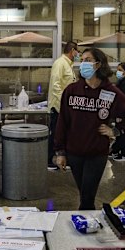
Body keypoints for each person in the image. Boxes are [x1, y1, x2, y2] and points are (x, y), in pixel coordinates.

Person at [54, 48, 125, 210]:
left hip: (96, 152)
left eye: (88, 60)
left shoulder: (110, 91)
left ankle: (85, 225)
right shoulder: (71, 91)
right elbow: (62, 121)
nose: (83, 63)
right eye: (82, 60)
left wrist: (115, 131)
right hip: (74, 151)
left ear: (98, 64)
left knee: (87, 197)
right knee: (84, 193)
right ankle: (87, 223)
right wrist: (60, 152)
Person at [47, 41, 78, 170]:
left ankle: (66, 159)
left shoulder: (68, 65)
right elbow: (56, 86)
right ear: (72, 51)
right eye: (77, 51)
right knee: (55, 133)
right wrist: (63, 105)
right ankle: (49, 160)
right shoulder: (60, 63)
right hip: (59, 107)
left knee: (67, 135)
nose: (78, 54)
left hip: (67, 107)